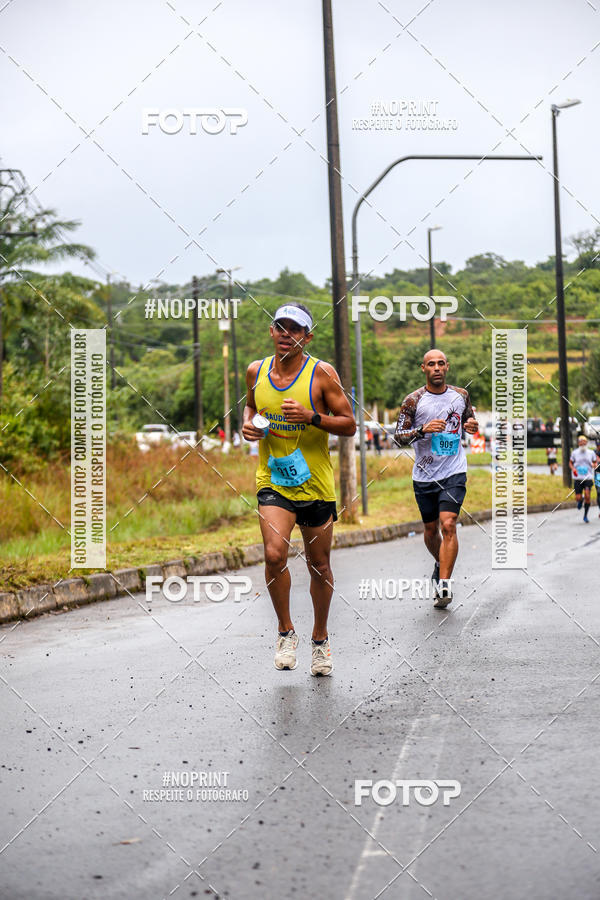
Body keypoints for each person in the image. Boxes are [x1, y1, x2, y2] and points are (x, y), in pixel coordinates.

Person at [241, 303, 356, 676]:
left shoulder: (321, 374)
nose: (286, 334)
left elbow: (349, 424)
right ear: (271, 331)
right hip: (272, 480)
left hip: (315, 483)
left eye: (295, 329)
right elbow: (250, 409)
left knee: (319, 565)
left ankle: (319, 639)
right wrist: (250, 426)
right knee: (275, 555)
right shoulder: (255, 371)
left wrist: (312, 418)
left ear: (307, 337)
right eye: (280, 327)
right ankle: (285, 631)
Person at [394, 349, 478, 609]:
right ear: (424, 369)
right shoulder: (413, 400)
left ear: (447, 367)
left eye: (441, 363)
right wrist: (422, 429)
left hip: (453, 470)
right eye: (432, 364)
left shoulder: (460, 395)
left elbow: (469, 419)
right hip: (424, 474)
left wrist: (472, 425)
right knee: (431, 531)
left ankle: (444, 586)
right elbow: (398, 437)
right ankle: (441, 561)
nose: (437, 368)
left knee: (449, 524)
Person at [569, 435, 598, 523]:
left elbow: (595, 462)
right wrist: (573, 468)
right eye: (581, 442)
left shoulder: (591, 453)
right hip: (578, 478)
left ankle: (585, 515)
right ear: (578, 443)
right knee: (578, 497)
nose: (582, 443)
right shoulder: (574, 453)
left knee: (588, 496)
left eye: (584, 442)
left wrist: (594, 465)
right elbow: (570, 463)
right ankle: (580, 500)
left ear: (586, 443)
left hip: (588, 477)